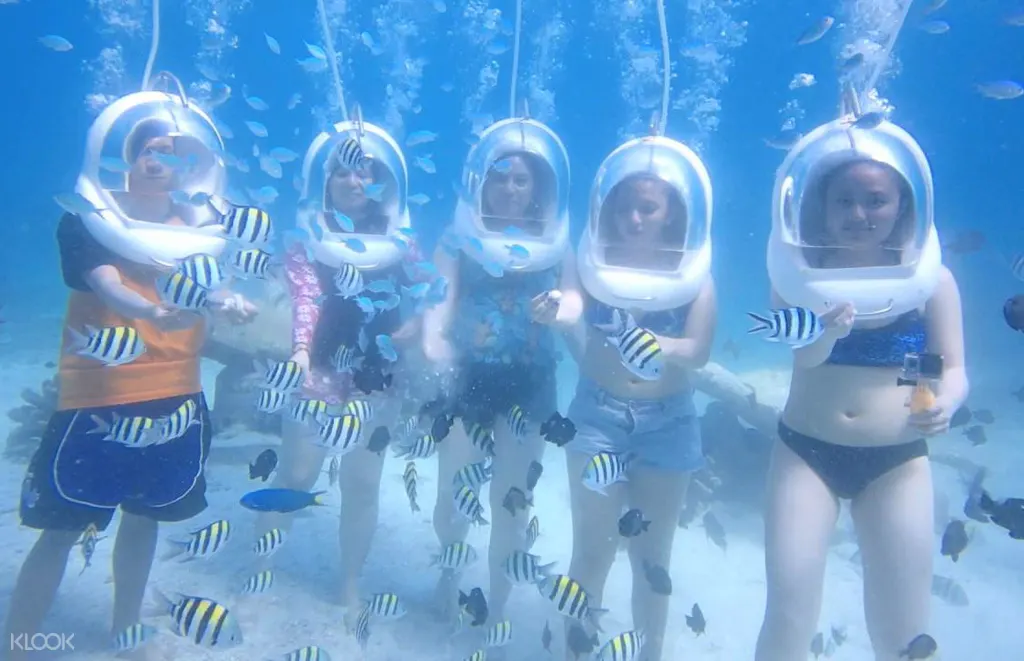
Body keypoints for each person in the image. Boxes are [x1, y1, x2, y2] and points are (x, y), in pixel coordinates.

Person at [3, 108, 256, 661]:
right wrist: (152, 310)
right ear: (128, 156)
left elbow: (213, 293)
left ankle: (125, 636)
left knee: (144, 521)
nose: (160, 161)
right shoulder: (87, 216)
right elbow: (108, 283)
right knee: (60, 528)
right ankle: (18, 644)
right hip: (98, 395)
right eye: (150, 149)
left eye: (173, 152)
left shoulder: (205, 233)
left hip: (177, 397)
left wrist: (230, 302)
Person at [756, 121, 967, 661]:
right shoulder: (795, 276)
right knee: (788, 615)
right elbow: (804, 357)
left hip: (897, 461)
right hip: (805, 452)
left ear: (904, 206)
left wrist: (947, 401)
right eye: (844, 200)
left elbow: (955, 368)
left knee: (903, 628)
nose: (858, 214)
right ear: (819, 206)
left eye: (876, 200)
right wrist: (827, 329)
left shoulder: (932, 281)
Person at [537, 138, 716, 661]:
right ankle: (575, 654)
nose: (633, 217)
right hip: (596, 415)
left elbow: (700, 351)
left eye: (648, 207)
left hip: (671, 422)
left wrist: (662, 344)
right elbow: (572, 304)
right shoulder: (586, 258)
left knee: (651, 558)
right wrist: (556, 308)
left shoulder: (696, 271)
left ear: (672, 214)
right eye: (624, 206)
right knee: (591, 553)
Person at [258, 124, 431, 626]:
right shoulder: (305, 237)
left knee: (362, 482)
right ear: (325, 180)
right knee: (297, 471)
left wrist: (418, 325)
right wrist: (299, 352)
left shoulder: (403, 236)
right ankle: (263, 563)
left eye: (366, 172)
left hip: (379, 377)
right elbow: (307, 297)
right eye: (344, 172)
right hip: (320, 368)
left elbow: (430, 288)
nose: (356, 182)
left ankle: (349, 584)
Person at [421, 119, 572, 630]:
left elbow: (573, 301)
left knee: (511, 499)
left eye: (522, 179)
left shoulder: (560, 238)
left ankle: (498, 611)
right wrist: (434, 342)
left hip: (532, 384)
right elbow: (440, 298)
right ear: (481, 181)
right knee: (453, 493)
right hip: (468, 377)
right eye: (500, 176)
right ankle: (449, 572)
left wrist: (563, 309)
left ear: (538, 189)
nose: (510, 187)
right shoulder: (457, 234)